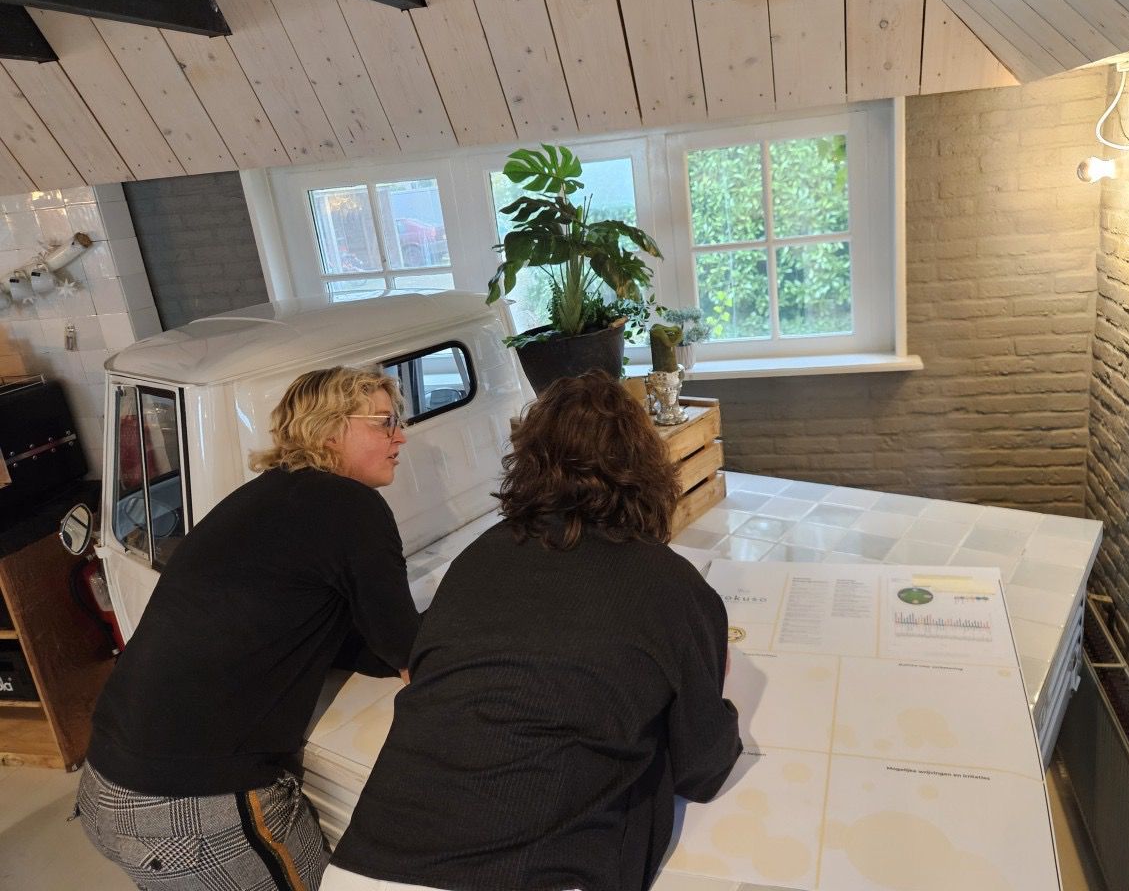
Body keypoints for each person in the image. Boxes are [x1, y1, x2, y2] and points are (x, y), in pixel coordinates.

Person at [322, 369, 742, 891]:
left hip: (364, 866)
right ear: (646, 467)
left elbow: (426, 665)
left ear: (529, 463)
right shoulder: (673, 586)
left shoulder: (477, 558)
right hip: (541, 873)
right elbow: (703, 769)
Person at [77, 366, 420, 891]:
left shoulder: (265, 499)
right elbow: (404, 647)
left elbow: (338, 636)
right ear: (329, 429)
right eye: (384, 421)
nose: (401, 435)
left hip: (112, 782)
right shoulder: (349, 505)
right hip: (191, 812)